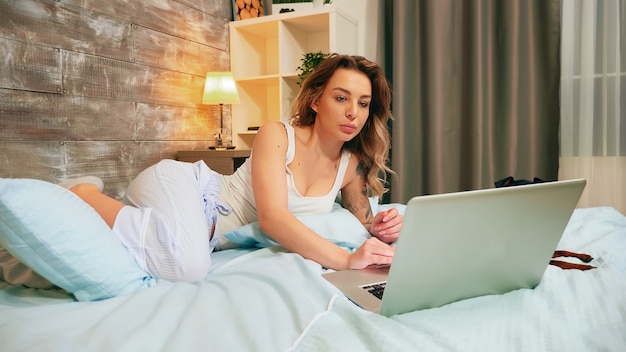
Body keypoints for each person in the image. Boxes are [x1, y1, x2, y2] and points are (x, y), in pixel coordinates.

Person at [66, 54, 403, 283]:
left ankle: (124, 216)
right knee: (189, 265)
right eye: (341, 98)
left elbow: (363, 221)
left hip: (206, 230)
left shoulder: (351, 166)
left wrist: (383, 226)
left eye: (363, 103)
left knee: (182, 250)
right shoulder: (277, 134)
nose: (353, 113)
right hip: (189, 187)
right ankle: (86, 193)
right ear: (316, 101)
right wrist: (343, 262)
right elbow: (273, 218)